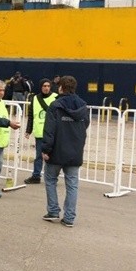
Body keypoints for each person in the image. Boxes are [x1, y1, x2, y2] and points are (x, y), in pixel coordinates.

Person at [41, 75, 90, 227]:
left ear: (60, 87)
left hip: (56, 151)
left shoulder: (55, 106)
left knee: (50, 180)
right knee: (72, 184)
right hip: (75, 151)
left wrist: (45, 150)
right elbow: (85, 125)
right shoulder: (83, 105)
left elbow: (49, 130)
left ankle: (53, 211)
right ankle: (69, 218)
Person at [23, 78, 58, 185]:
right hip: (39, 132)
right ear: (41, 87)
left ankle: (52, 177)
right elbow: (31, 115)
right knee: (39, 156)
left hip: (52, 132)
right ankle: (36, 176)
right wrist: (28, 130)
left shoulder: (55, 97)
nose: (46, 88)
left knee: (53, 156)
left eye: (48, 86)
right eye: (44, 86)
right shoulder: (35, 98)